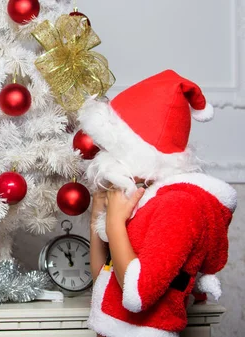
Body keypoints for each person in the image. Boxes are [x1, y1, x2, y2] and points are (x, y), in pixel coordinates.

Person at [78, 70, 237, 337]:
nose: (103, 156)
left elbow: (137, 294)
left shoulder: (177, 206)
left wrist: (115, 222)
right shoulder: (141, 200)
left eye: (111, 147)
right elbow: (102, 280)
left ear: (136, 149)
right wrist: (99, 210)